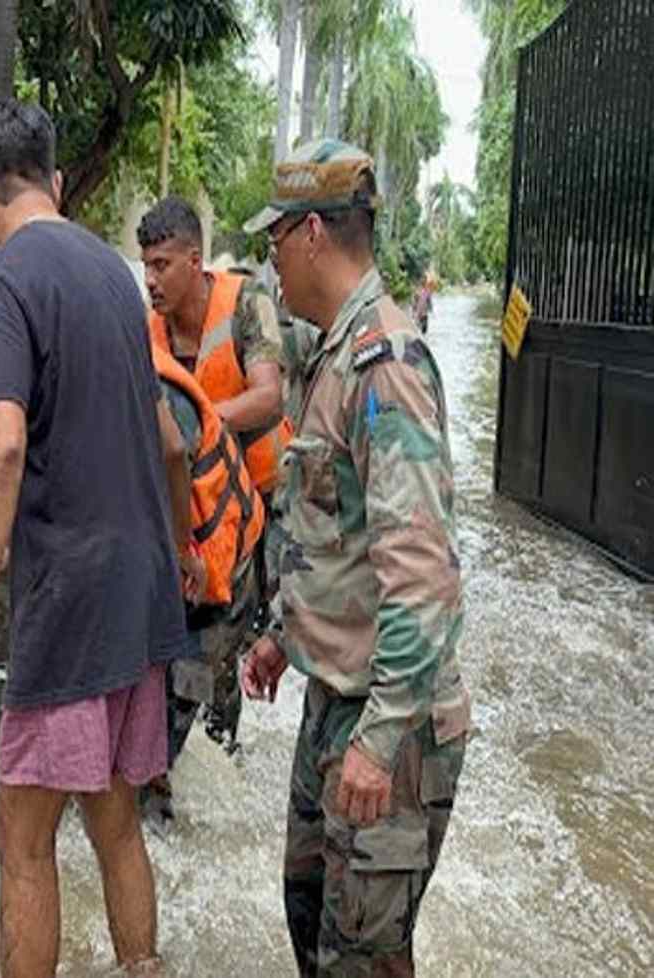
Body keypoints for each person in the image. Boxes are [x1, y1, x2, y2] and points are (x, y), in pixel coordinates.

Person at [0, 99, 199, 978]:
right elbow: (169, 440)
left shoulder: (8, 280)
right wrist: (185, 547)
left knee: (21, 836)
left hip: (74, 598)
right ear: (55, 181)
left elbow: (4, 445)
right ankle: (144, 969)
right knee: (116, 815)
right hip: (141, 589)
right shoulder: (118, 279)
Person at [239, 139, 470, 977]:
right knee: (311, 915)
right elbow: (333, 536)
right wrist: (280, 632)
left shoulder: (386, 365)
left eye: (273, 243)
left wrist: (378, 741)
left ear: (310, 234)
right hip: (335, 698)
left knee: (362, 958)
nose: (270, 263)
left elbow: (423, 577)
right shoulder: (334, 354)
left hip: (391, 724)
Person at [141, 341, 267, 824]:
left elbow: (171, 452)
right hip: (199, 573)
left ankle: (159, 820)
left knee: (180, 692)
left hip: (221, 575)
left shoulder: (163, 398)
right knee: (204, 675)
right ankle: (223, 749)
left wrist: (179, 551)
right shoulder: (128, 370)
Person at [138, 196, 294, 504]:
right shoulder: (147, 326)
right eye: (146, 266)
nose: (149, 281)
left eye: (161, 266)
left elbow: (269, 397)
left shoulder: (246, 300)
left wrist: (196, 423)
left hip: (267, 494)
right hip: (203, 501)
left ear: (194, 261)